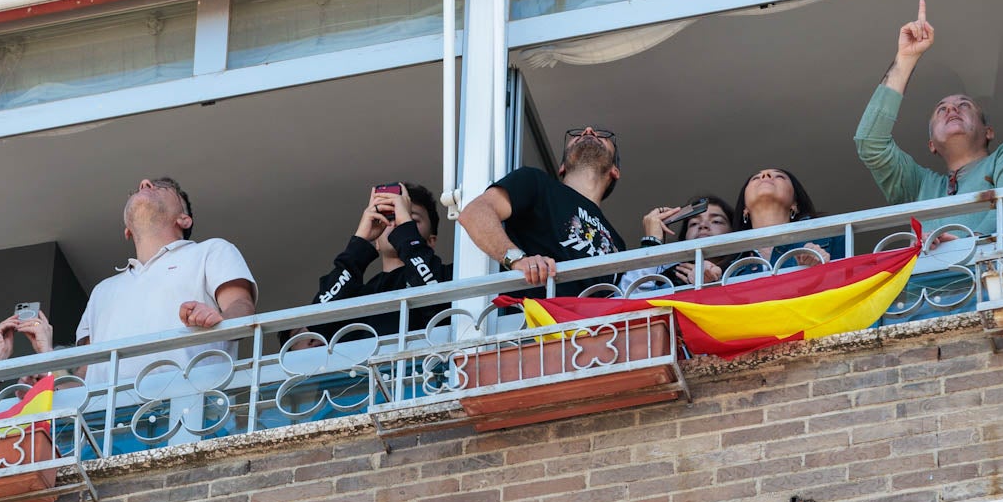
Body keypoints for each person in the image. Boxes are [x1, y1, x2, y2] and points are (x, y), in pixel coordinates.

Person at [0, 177, 257, 387]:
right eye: (137, 190)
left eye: (163, 187)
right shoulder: (102, 291)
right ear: (127, 230)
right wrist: (45, 353)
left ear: (183, 219)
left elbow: (241, 306)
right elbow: (86, 375)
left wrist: (218, 318)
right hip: (107, 428)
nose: (144, 183)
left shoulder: (210, 251)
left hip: (192, 412)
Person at [854, 0, 1003, 235]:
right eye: (941, 109)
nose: (952, 110)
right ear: (931, 145)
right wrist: (905, 59)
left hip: (989, 269)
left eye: (964, 105)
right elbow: (870, 143)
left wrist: (963, 245)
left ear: (988, 131)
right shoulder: (919, 185)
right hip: (935, 273)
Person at [458, 125, 625, 297]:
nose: (588, 131)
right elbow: (475, 212)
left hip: (591, 323)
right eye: (577, 134)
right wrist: (517, 260)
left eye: (603, 135)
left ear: (615, 171)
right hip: (532, 320)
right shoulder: (537, 183)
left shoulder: (618, 243)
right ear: (562, 167)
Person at [301, 182, 451, 345]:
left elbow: (438, 302)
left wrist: (408, 234)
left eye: (410, 219)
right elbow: (317, 322)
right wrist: (359, 241)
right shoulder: (358, 295)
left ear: (431, 241)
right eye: (388, 217)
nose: (396, 223)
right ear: (377, 242)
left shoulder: (448, 275)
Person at [734, 168, 844, 266]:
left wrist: (822, 268)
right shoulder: (731, 266)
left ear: (795, 204)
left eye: (779, 176)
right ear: (745, 209)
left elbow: (847, 278)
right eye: (755, 178)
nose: (765, 175)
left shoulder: (827, 233)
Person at [622, 195, 737, 289]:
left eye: (716, 221)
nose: (703, 225)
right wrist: (652, 242)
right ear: (685, 236)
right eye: (694, 223)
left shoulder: (746, 268)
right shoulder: (667, 279)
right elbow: (626, 295)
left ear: (733, 231)